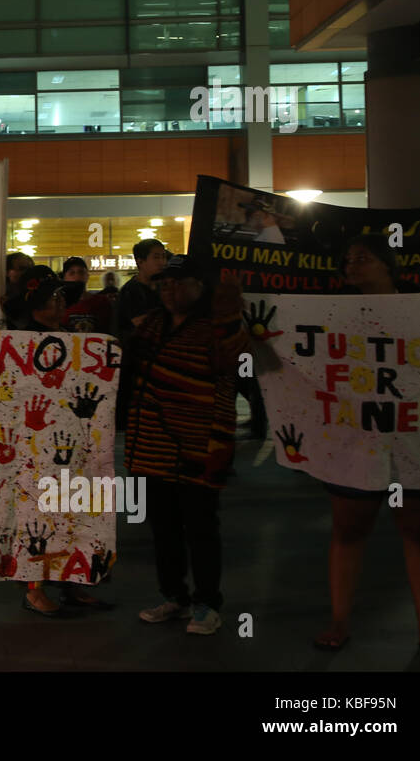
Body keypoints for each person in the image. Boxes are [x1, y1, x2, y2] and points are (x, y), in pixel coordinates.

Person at [313, 234, 420, 656]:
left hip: (415, 436)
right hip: (356, 436)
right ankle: (339, 619)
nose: (351, 264)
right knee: (348, 528)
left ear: (389, 265)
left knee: (419, 529)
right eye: (347, 259)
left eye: (362, 257)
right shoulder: (331, 312)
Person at [125, 255, 247, 636]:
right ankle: (174, 596)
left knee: (201, 529)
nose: (169, 290)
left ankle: (207, 602)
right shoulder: (152, 325)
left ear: (200, 286)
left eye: (177, 283)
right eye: (163, 284)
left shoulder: (219, 327)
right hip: (150, 446)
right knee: (163, 529)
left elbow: (234, 365)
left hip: (199, 448)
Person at [16, 265, 114, 617]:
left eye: (61, 296)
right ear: (35, 305)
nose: (60, 302)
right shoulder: (23, 340)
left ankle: (75, 582)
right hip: (39, 449)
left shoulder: (73, 335)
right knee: (40, 519)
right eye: (53, 297)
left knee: (76, 513)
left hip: (76, 443)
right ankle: (33, 589)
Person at [113, 238, 167, 342]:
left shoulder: (162, 287)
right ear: (140, 262)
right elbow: (142, 323)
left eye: (163, 256)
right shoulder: (131, 290)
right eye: (156, 257)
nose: (162, 262)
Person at [61, 256, 114, 333]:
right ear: (64, 278)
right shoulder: (60, 304)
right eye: (72, 273)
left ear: (87, 276)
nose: (77, 276)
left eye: (81, 272)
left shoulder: (102, 302)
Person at [2, 251, 34, 328]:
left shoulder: (34, 296)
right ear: (7, 272)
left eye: (31, 269)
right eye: (22, 268)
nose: (27, 273)